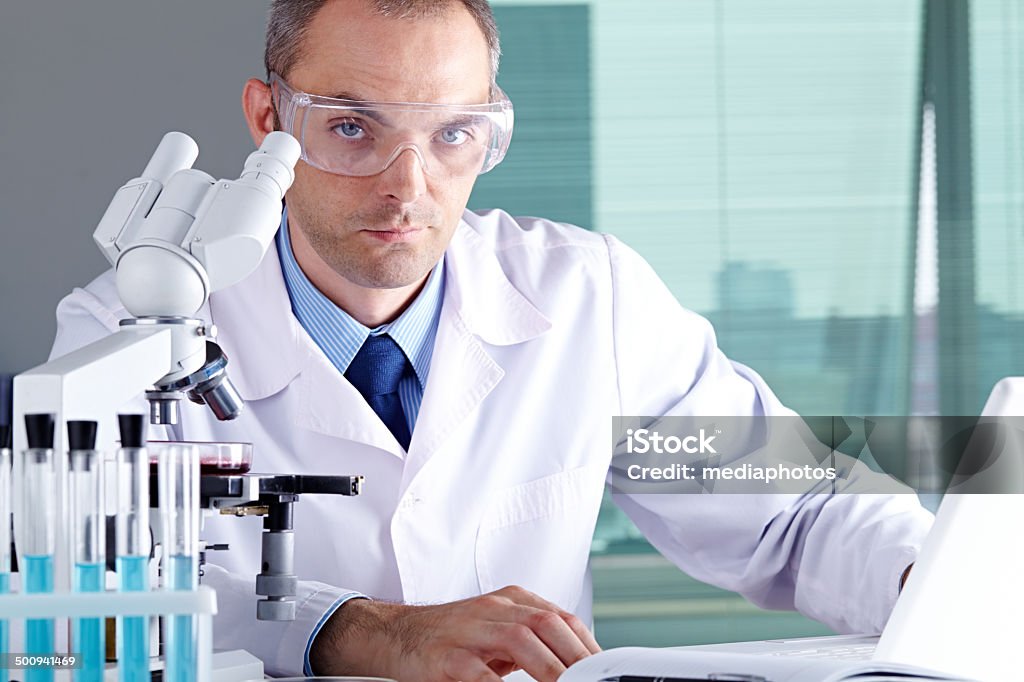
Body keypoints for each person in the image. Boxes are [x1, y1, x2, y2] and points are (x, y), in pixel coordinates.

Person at [49, 0, 934, 680]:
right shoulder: (132, 335)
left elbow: (795, 509)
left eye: (452, 135)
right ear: (269, 120)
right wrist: (360, 630)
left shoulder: (589, 296)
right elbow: (81, 599)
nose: (409, 186)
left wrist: (934, 583)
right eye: (353, 128)